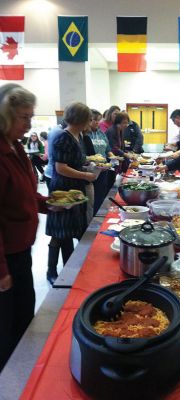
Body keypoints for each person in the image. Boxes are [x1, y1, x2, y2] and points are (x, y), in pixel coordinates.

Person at [0, 83, 48, 371]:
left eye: (31, 116)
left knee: (24, 315)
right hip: (6, 257)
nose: (29, 123)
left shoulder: (16, 147)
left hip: (21, 250)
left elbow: (25, 194)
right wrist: (1, 269)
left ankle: (21, 371)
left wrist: (46, 204)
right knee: (7, 325)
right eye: (23, 117)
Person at [45, 102, 97, 285]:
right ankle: (51, 271)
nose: (91, 122)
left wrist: (87, 167)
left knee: (71, 230)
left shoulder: (79, 136)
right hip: (63, 190)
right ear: (81, 119)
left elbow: (75, 163)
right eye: (89, 119)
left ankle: (68, 267)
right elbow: (61, 168)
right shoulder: (63, 138)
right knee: (59, 232)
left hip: (76, 189)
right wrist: (85, 175)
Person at [88, 109, 116, 213]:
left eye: (98, 120)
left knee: (101, 195)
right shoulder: (86, 135)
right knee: (91, 198)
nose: (96, 122)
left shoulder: (101, 134)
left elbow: (108, 150)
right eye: (94, 120)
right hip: (91, 170)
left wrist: (114, 158)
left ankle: (99, 216)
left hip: (104, 169)